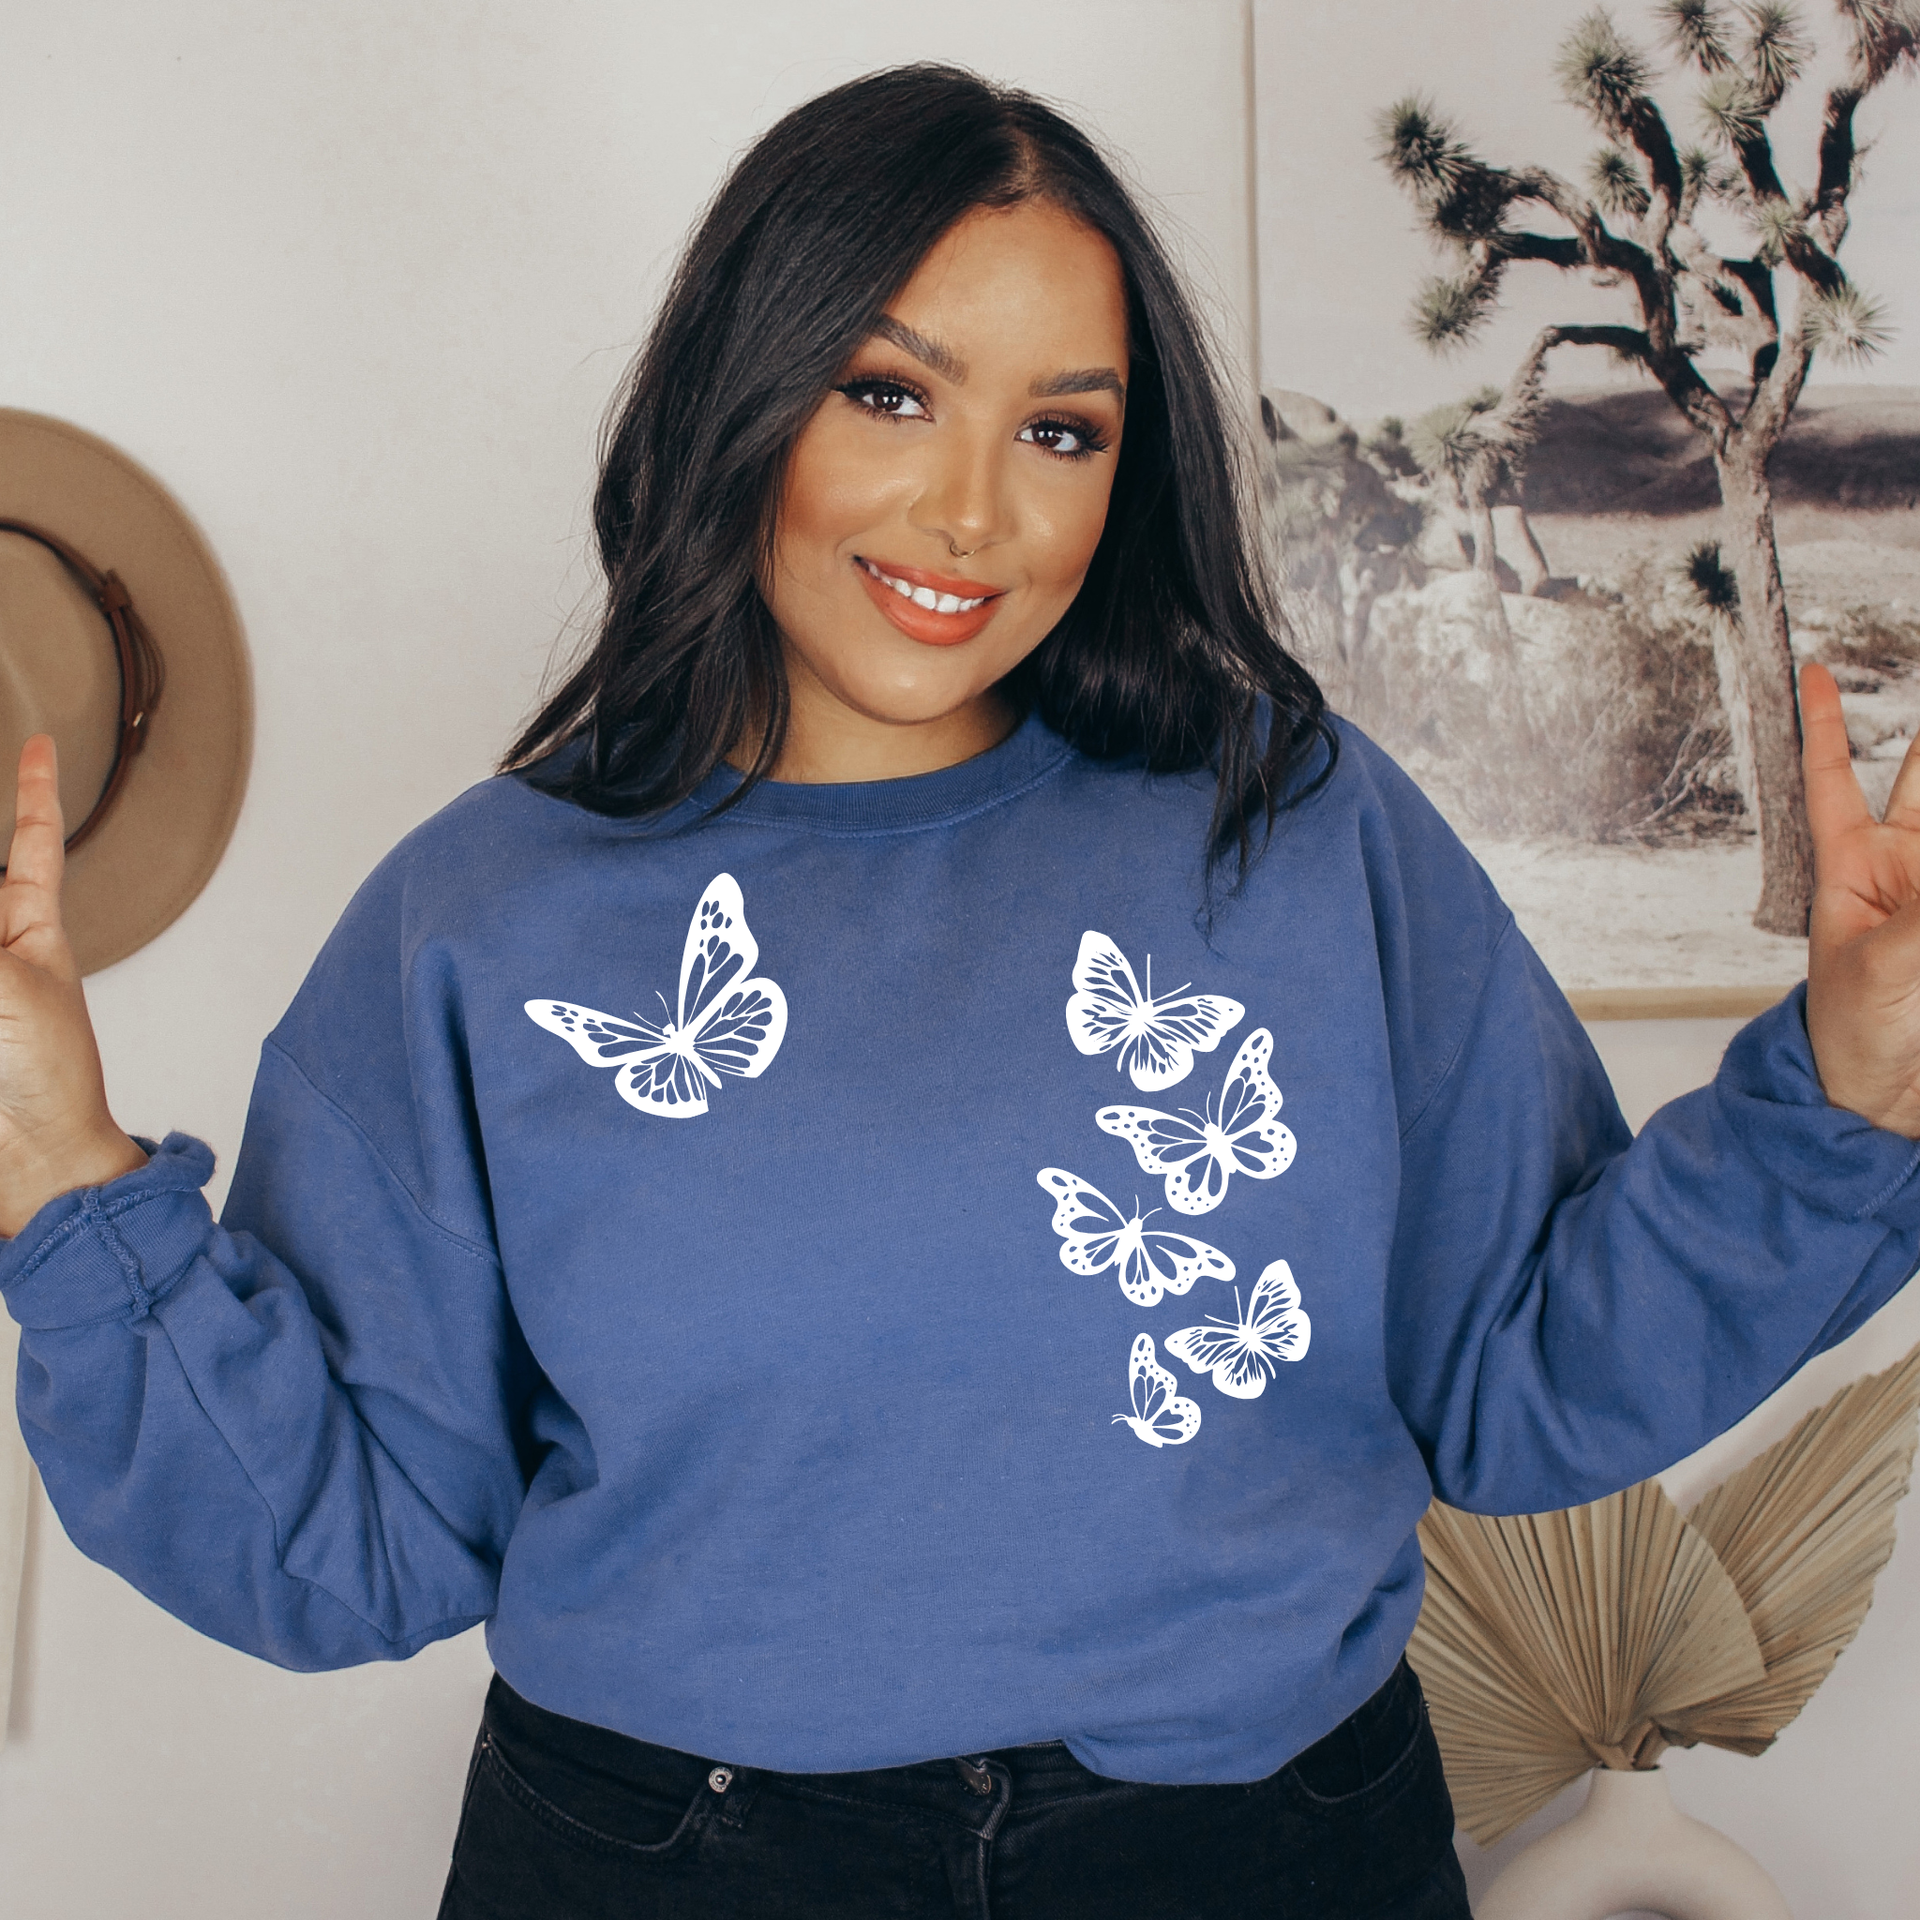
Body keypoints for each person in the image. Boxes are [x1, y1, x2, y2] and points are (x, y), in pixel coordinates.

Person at [3, 63, 1919, 1920]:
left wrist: (1850, 1087)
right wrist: (58, 1176)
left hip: (1262, 1853)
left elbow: (1524, 1376)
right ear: (742, 394)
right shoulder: (476, 919)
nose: (972, 515)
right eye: (891, 392)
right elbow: (344, 1550)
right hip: (670, 1867)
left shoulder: (1294, 826)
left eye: (1061, 430)